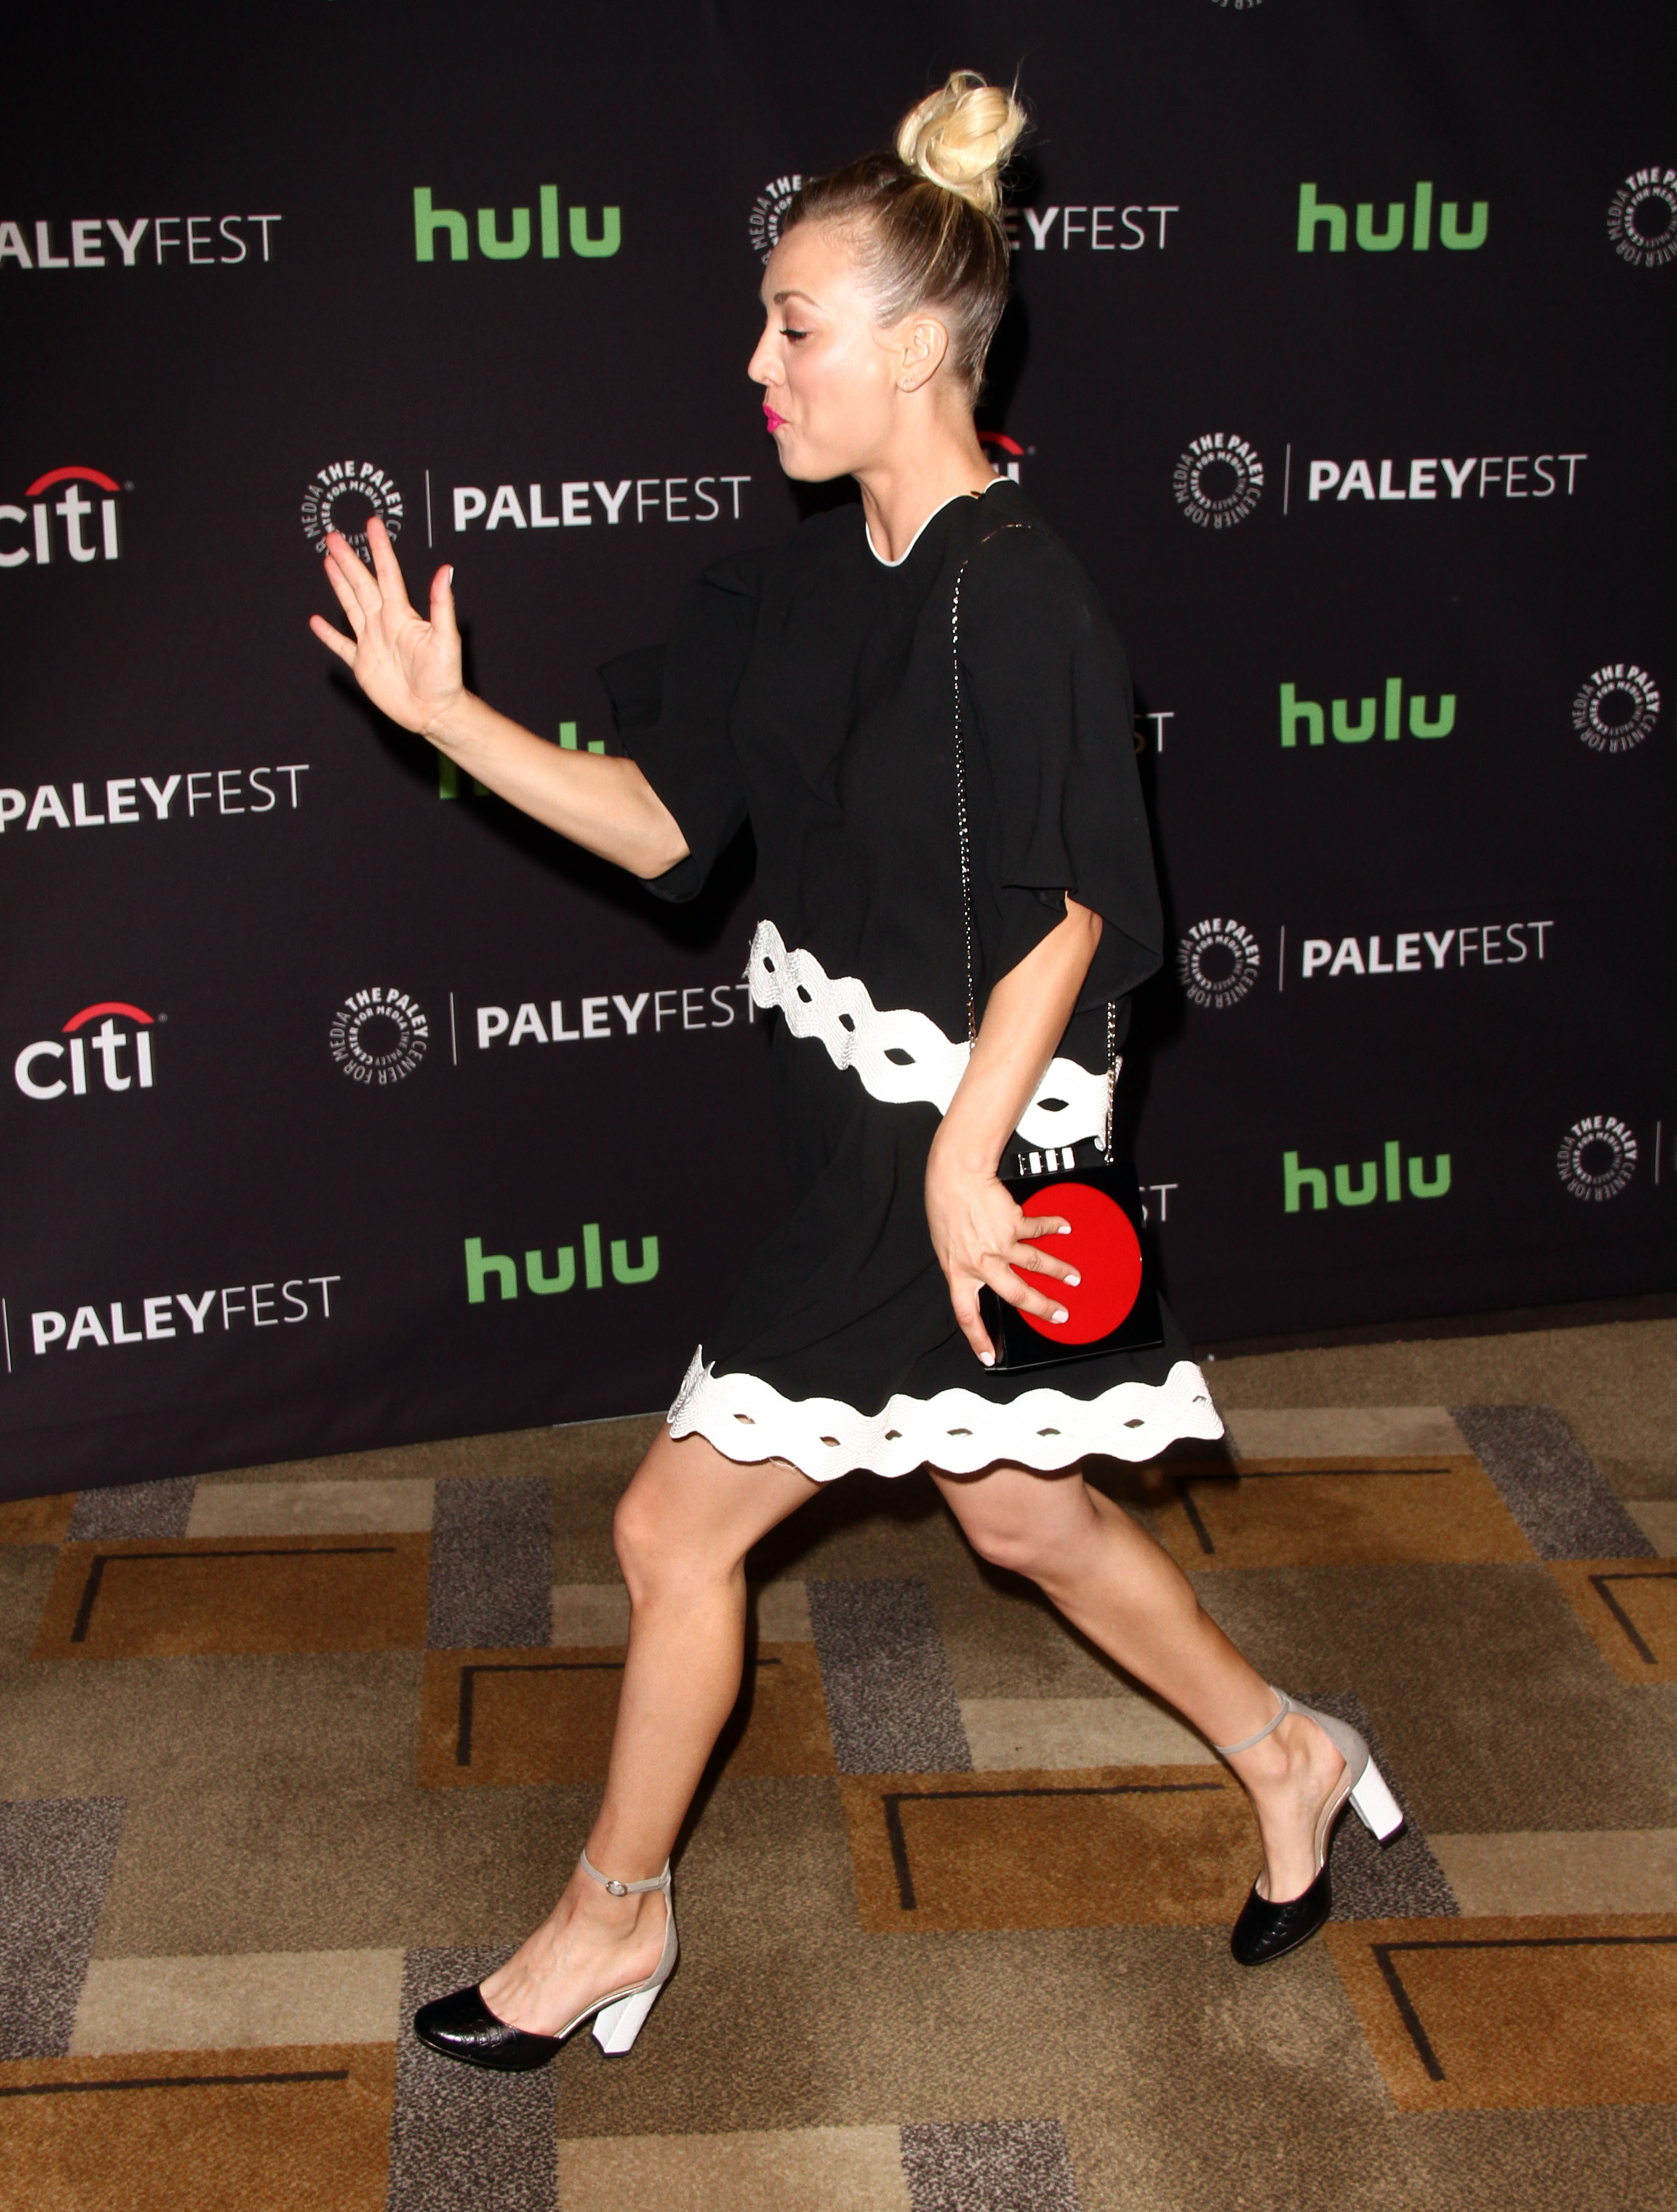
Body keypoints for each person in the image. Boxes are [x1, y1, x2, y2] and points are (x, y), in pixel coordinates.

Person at [310, 72, 1401, 2069]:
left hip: (971, 1131)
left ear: (915, 350)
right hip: (868, 1119)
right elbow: (664, 827)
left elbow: (1076, 906)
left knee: (673, 1531)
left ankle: (609, 1921)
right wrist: (450, 720)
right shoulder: (798, 581)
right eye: (765, 323)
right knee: (1023, 1516)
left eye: (795, 327)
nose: (758, 364)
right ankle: (1289, 1751)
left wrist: (966, 1161)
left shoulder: (1021, 590)